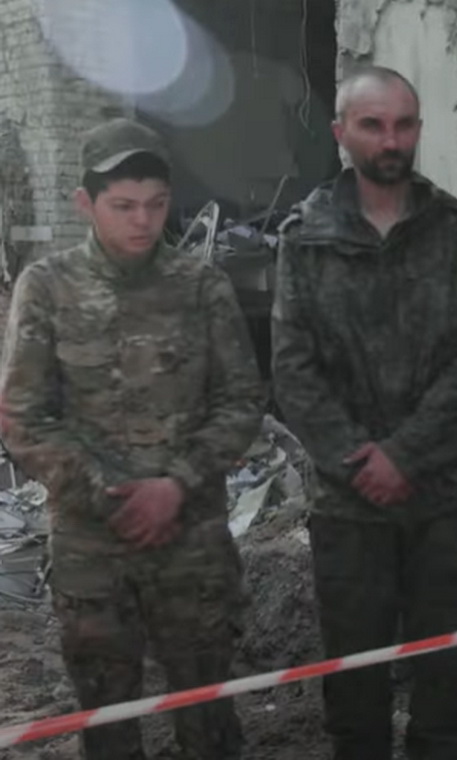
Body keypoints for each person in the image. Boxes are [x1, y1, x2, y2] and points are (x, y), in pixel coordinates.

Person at [0, 118, 264, 759]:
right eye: (123, 206)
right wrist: (114, 495)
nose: (142, 221)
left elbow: (242, 401)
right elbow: (22, 417)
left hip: (192, 543)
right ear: (85, 203)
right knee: (108, 720)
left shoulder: (202, 287)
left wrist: (175, 486)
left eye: (156, 203)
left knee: (208, 715)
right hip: (94, 548)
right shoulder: (47, 288)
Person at [271, 66, 457, 760]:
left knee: (447, 682)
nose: (390, 139)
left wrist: (405, 454)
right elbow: (293, 369)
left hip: (446, 499)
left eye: (403, 124)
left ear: (418, 130)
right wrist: (359, 462)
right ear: (341, 132)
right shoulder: (306, 238)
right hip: (349, 508)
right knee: (354, 686)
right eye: (372, 125)